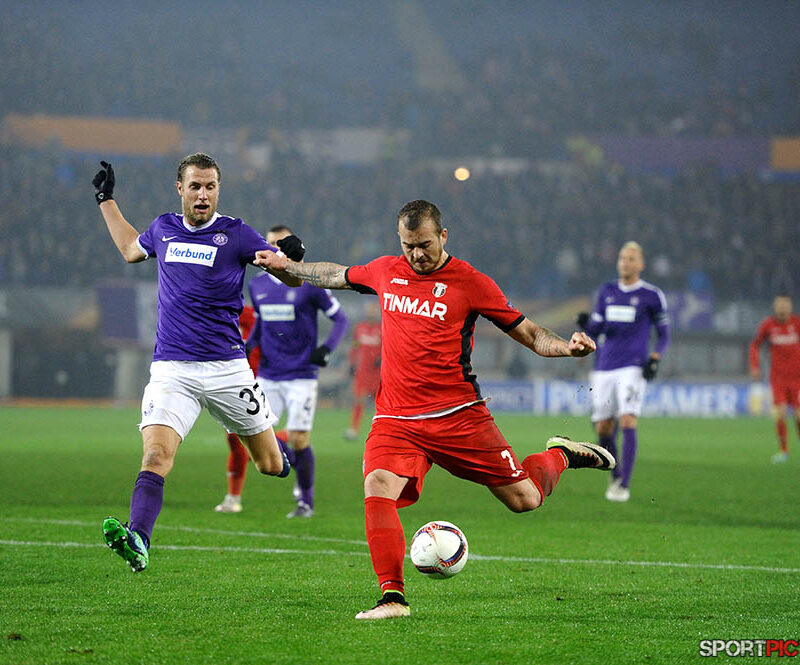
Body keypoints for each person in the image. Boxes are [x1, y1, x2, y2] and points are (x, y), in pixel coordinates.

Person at [256, 199, 615, 620]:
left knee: (525, 499)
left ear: (443, 236)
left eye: (424, 244)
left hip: (458, 416)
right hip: (396, 418)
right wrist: (287, 266)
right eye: (408, 245)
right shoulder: (386, 270)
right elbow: (333, 274)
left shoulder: (471, 282)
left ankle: (561, 454)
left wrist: (568, 348)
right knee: (377, 487)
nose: (416, 254)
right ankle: (393, 597)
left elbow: (531, 334)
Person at [93, 154, 306, 572]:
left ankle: (287, 455)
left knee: (269, 464)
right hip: (172, 371)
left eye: (210, 186)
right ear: (181, 189)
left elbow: (291, 276)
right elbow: (130, 249)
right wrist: (106, 200)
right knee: (156, 457)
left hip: (228, 370)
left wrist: (293, 259)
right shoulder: (163, 229)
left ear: (218, 189)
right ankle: (139, 539)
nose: (203, 194)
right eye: (195, 186)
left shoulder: (237, 234)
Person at [214, 224, 349, 517]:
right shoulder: (258, 285)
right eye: (270, 243)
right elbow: (262, 322)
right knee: (253, 434)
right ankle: (291, 465)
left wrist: (327, 348)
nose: (275, 248)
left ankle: (305, 500)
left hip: (301, 374)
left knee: (299, 440)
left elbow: (340, 319)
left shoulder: (308, 282)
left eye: (281, 243)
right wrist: (249, 346)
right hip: (268, 374)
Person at [576, 241, 670, 503]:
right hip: (604, 367)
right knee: (603, 427)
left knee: (628, 419)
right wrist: (586, 324)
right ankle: (615, 475)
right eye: (622, 258)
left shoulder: (651, 295)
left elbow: (664, 334)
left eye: (630, 258)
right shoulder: (606, 292)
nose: (625, 263)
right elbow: (596, 329)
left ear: (641, 264)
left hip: (633, 367)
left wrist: (654, 358)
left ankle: (624, 484)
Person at [215, 305, 262, 514]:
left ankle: (234, 497)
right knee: (238, 441)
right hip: (226, 384)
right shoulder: (213, 312)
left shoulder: (251, 315)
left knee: (239, 440)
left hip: (256, 383)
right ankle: (233, 497)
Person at [749, 294, 800, 463]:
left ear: (790, 307)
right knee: (781, 413)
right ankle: (783, 451)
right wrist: (754, 366)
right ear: (774, 307)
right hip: (778, 379)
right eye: (779, 305)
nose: (782, 308)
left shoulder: (797, 324)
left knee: (798, 416)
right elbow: (755, 345)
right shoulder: (768, 325)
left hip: (797, 378)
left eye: (785, 305)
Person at [343, 300, 382, 440]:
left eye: (373, 309)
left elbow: (388, 346)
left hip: (378, 372)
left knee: (382, 402)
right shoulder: (359, 328)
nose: (371, 312)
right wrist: (351, 363)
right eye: (369, 309)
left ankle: (381, 430)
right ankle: (354, 429)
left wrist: (382, 358)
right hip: (362, 371)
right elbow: (355, 347)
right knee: (359, 400)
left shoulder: (382, 328)